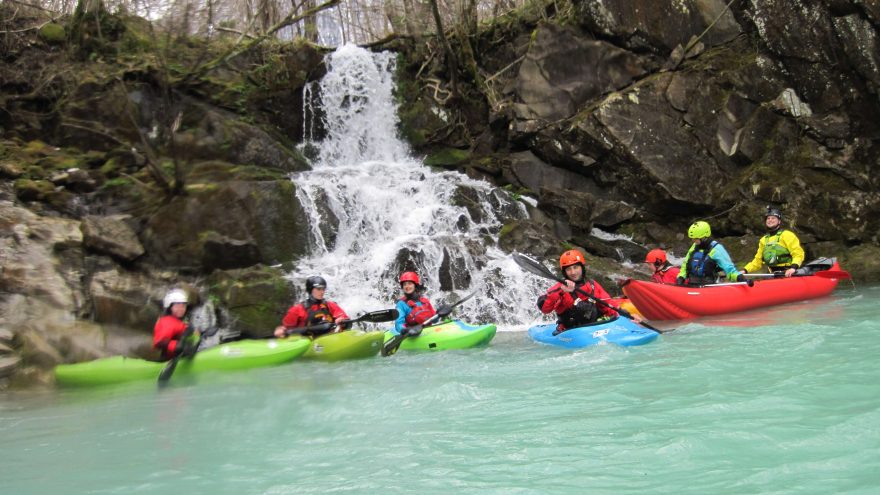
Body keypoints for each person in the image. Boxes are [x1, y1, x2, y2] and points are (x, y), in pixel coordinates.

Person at [538, 249, 622, 333]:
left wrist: (621, 314)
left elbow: (608, 304)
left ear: (582, 267)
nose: (573, 272)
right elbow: (545, 309)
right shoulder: (559, 288)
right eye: (568, 269)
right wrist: (561, 291)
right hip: (569, 331)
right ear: (564, 272)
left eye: (575, 267)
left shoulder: (592, 285)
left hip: (593, 327)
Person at [274, 276, 349, 338]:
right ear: (310, 290)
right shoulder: (298, 309)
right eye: (319, 289)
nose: (322, 292)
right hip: (309, 341)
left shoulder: (330, 305)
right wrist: (281, 330)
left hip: (330, 337)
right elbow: (285, 328)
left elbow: (344, 318)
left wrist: (341, 319)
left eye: (323, 289)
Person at [742, 207, 805, 278]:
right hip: (772, 274)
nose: (770, 220)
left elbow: (798, 253)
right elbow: (757, 261)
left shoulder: (787, 235)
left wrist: (793, 268)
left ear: (779, 221)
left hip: (788, 273)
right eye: (768, 218)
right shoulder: (763, 240)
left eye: (773, 218)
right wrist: (745, 270)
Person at [677, 221, 744, 286]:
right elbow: (686, 263)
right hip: (692, 283)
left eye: (696, 238)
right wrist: (681, 276)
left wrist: (738, 277)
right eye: (692, 239)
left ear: (704, 237)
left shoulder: (717, 249)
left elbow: (729, 268)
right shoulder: (694, 246)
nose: (693, 241)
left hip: (709, 285)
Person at [153, 288, 198, 360]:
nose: (181, 308)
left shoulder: (181, 321)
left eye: (183, 305)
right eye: (177, 305)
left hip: (183, 357)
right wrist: (179, 346)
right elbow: (159, 342)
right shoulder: (167, 322)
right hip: (170, 361)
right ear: (170, 307)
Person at [392, 271, 438, 337]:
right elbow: (399, 324)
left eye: (410, 283)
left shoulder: (424, 301)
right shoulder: (401, 304)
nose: (407, 286)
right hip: (413, 334)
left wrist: (439, 314)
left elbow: (435, 320)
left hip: (429, 331)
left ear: (415, 285)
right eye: (404, 284)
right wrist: (405, 330)